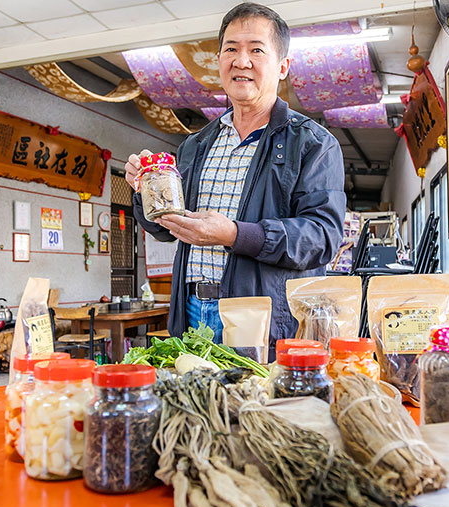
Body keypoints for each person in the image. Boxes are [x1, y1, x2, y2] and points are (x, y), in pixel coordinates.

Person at [126, 2, 346, 356]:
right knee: (195, 410)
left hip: (260, 318)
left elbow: (321, 237)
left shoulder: (314, 144)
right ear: (218, 62)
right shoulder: (195, 145)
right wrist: (146, 191)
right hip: (191, 312)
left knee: (254, 408)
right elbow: (166, 229)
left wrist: (235, 234)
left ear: (283, 66)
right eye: (231, 49)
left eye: (256, 50)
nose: (241, 61)